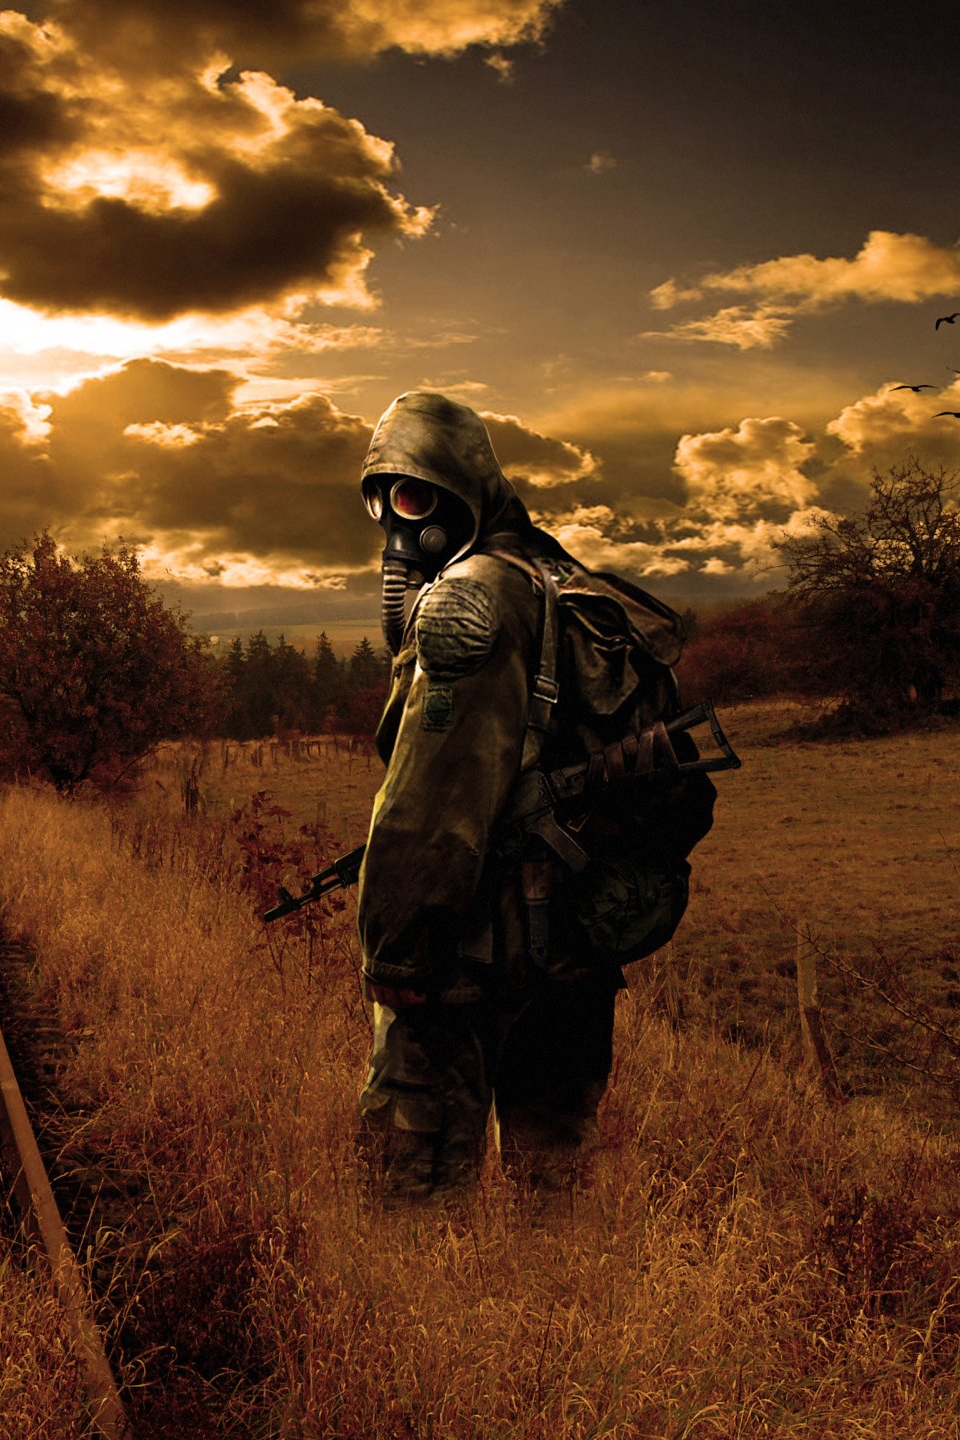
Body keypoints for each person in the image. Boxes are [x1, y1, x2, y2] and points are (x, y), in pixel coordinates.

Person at [353, 390, 710, 1201]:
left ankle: (418, 1328)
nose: (400, 524)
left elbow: (427, 804)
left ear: (460, 488)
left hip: (472, 960)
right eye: (384, 501)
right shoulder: (567, 582)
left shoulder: (470, 598)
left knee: (408, 1195)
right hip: (576, 951)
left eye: (412, 495)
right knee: (557, 1185)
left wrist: (397, 951)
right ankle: (559, 1320)